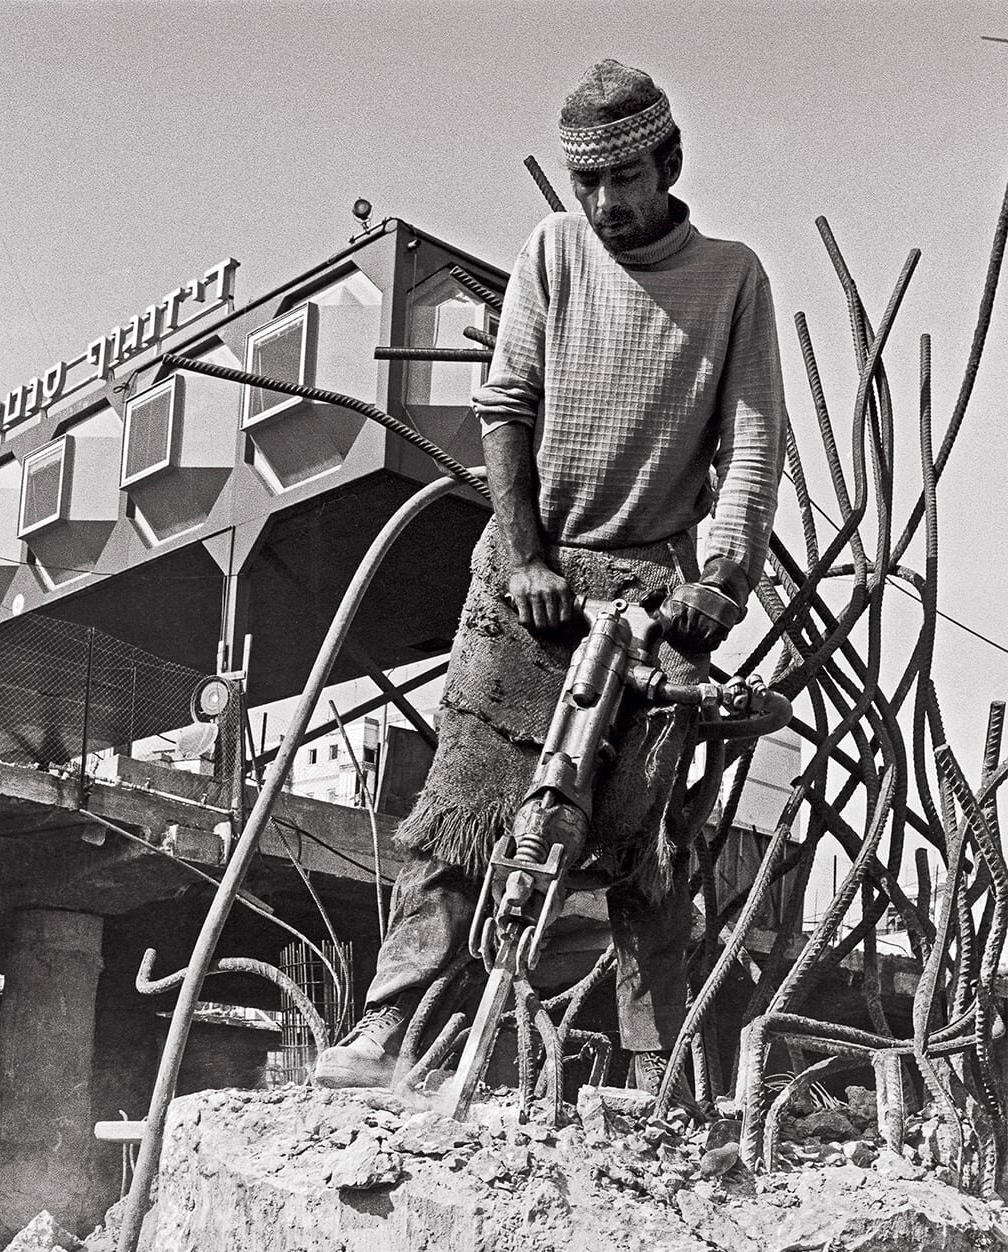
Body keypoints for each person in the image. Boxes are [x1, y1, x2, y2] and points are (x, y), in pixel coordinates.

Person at [314, 56, 784, 1091]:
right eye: (589, 185)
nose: (607, 205)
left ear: (668, 165)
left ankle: (660, 1079)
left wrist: (722, 583)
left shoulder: (731, 278)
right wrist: (523, 553)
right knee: (460, 809)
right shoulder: (553, 252)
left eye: (626, 180)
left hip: (655, 595)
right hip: (529, 585)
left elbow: (749, 447)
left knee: (642, 845)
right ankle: (386, 1033)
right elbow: (506, 407)